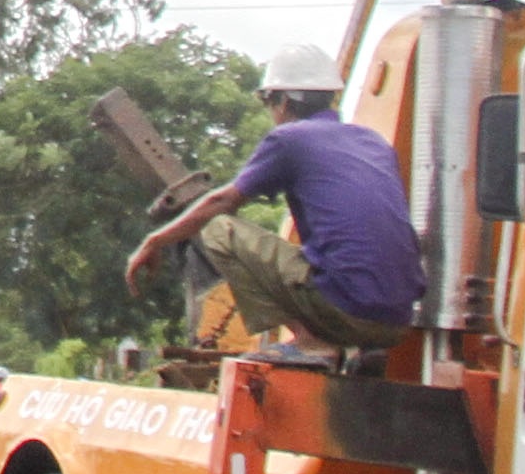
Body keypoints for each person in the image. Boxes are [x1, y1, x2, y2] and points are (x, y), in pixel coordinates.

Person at [121, 44, 422, 356]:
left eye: (267, 101)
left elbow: (222, 202)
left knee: (218, 229)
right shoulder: (373, 142)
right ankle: (362, 351)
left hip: (346, 312)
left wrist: (155, 240)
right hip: (397, 321)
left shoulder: (290, 139)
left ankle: (309, 342)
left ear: (283, 101)